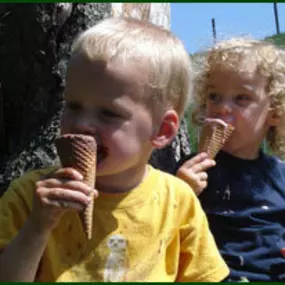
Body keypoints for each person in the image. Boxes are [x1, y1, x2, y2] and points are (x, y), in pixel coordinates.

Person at [0, 18, 229, 282]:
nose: (82, 124)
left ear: (163, 130)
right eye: (73, 106)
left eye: (108, 114)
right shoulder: (29, 197)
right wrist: (37, 228)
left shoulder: (177, 199)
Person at [176, 37, 285, 281]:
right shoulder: (191, 169)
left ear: (274, 113)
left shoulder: (280, 175)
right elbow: (165, 225)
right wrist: (182, 192)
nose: (222, 108)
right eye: (214, 96)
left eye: (241, 98)